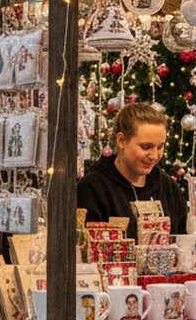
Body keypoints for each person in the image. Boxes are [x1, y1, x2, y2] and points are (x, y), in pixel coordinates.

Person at [77, 102, 187, 240]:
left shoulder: (168, 187)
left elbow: (183, 243)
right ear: (122, 140)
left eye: (160, 147)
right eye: (146, 147)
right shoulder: (91, 189)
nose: (154, 156)